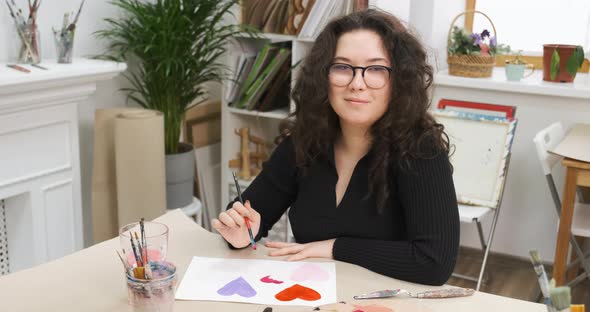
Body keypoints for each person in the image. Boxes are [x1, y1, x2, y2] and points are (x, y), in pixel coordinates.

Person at [212, 9, 459, 286]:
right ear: (323, 77)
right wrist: (241, 232)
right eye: (342, 67)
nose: (357, 83)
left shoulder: (421, 150)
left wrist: (332, 248)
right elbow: (250, 214)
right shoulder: (305, 141)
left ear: (399, 80)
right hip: (311, 295)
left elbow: (434, 262)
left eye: (376, 69)